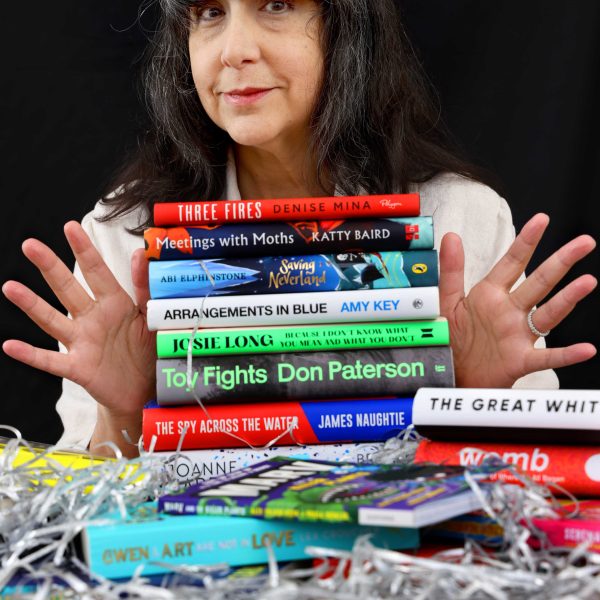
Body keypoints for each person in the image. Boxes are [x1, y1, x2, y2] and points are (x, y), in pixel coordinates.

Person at [2, 0, 596, 458]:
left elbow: (534, 496)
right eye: (209, 13)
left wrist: (471, 400)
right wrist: (126, 416)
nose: (233, 48)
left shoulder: (457, 222)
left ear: (349, 27)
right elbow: (90, 513)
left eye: (278, 5)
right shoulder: (125, 240)